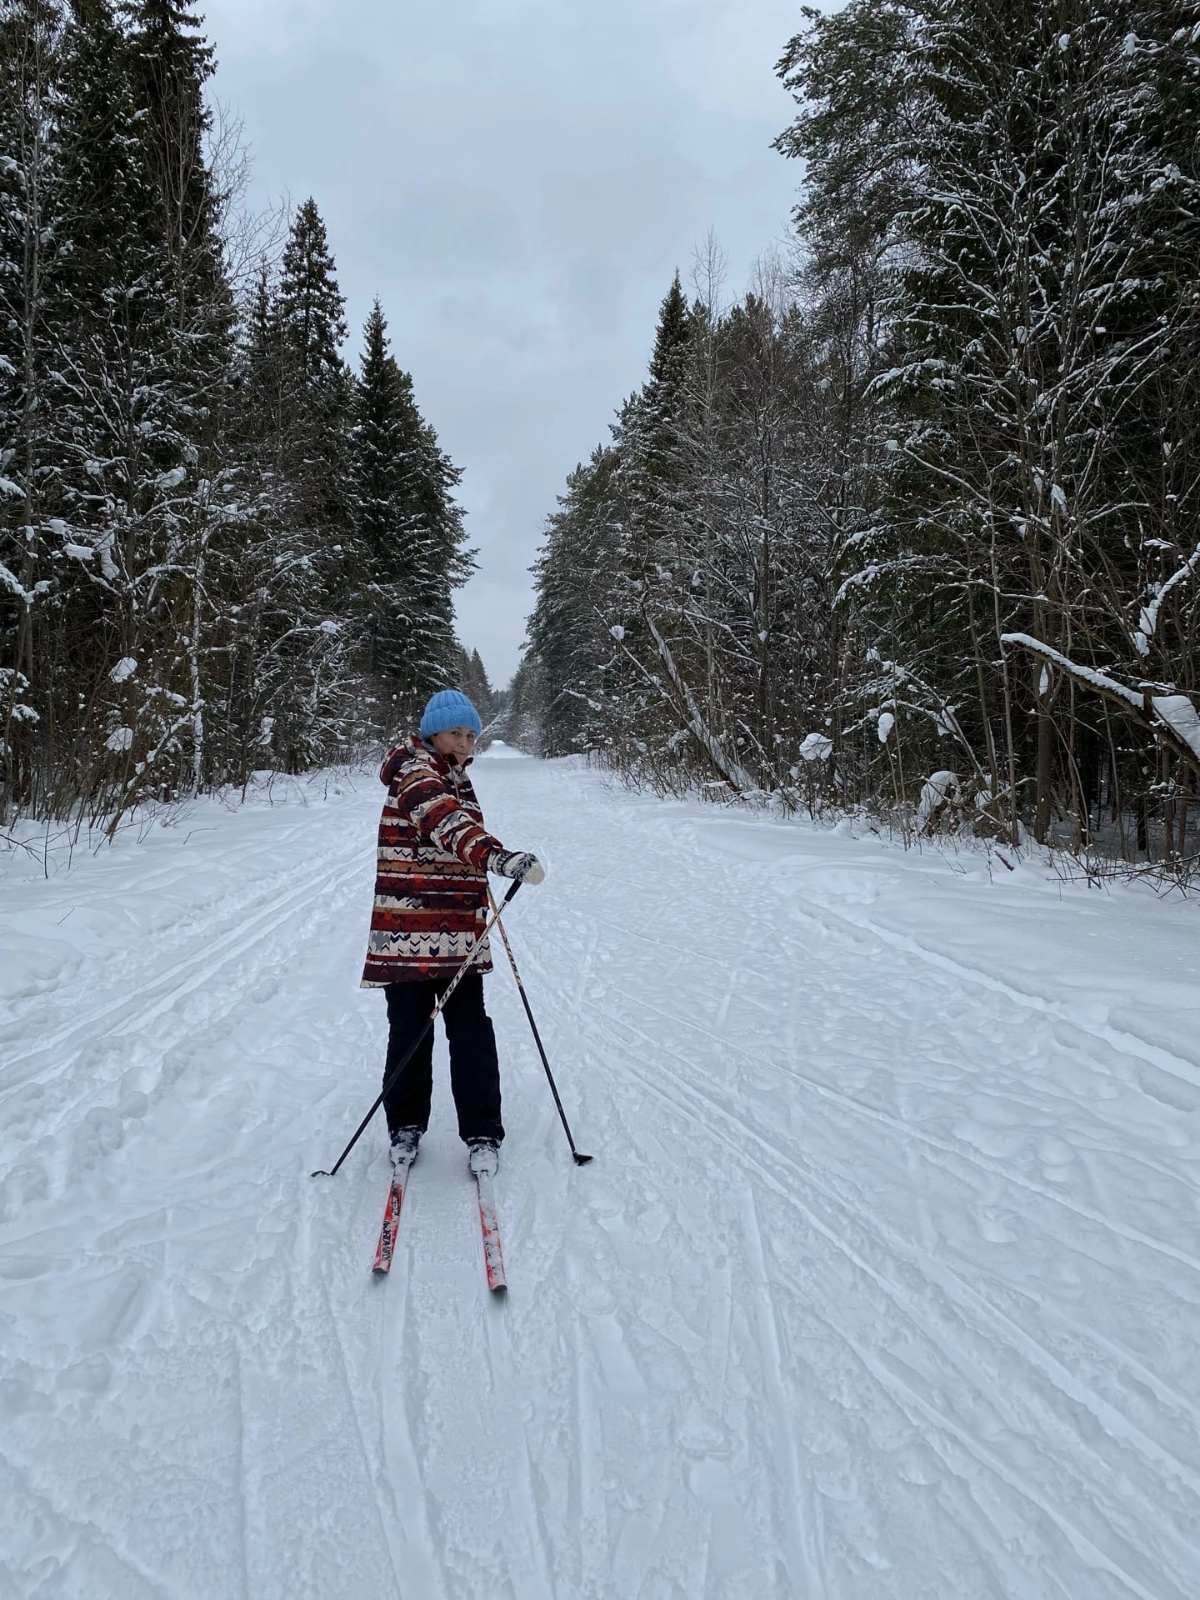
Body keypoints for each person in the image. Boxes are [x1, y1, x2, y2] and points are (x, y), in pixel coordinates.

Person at [360, 688, 544, 1177]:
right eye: (456, 732)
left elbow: (455, 830)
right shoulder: (415, 773)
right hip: (409, 927)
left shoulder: (452, 775)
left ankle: (482, 1132)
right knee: (411, 1030)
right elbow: (446, 824)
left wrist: (480, 866)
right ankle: (405, 1126)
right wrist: (497, 857)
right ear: (431, 733)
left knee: (470, 1030)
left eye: (471, 734)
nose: (465, 741)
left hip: (456, 927)